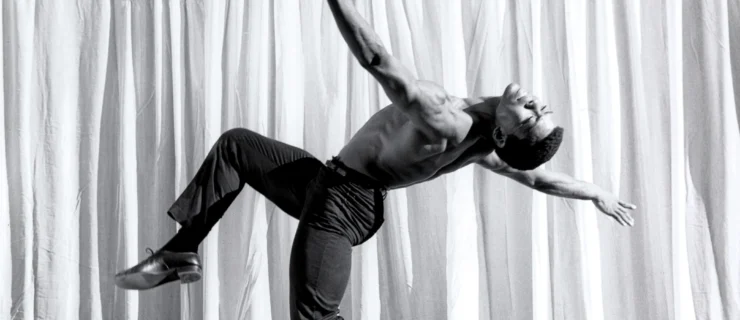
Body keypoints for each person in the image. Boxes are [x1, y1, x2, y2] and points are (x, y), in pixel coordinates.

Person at [114, 0, 637, 319]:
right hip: (330, 184)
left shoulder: (447, 119)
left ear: (504, 132)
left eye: (532, 118)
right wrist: (595, 191)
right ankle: (181, 254)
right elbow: (541, 180)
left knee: (316, 316)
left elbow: (378, 59)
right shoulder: (485, 142)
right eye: (541, 111)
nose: (537, 105)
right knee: (237, 147)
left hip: (343, 205)